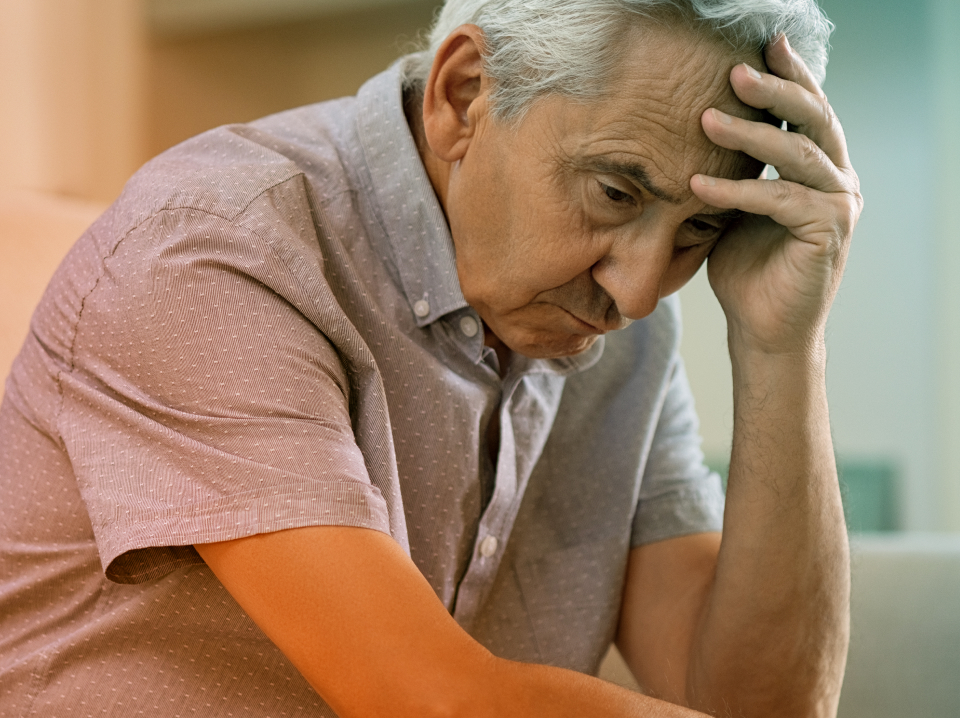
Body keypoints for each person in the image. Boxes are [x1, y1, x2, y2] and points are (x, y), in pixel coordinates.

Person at [0, 0, 861, 715]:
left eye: (699, 228)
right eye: (614, 191)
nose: (637, 294)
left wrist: (782, 347)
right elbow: (427, 702)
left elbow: (757, 707)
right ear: (465, 92)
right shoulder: (215, 248)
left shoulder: (617, 322)